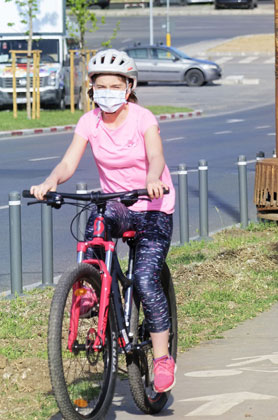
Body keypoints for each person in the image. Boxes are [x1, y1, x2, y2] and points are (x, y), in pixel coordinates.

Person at [30, 49, 177, 393]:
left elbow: (155, 156)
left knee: (144, 278)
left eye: (115, 85)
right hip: (120, 204)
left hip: (153, 206)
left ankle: (161, 357)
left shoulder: (143, 118)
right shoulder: (89, 122)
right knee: (97, 215)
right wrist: (51, 181)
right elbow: (68, 163)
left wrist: (153, 178)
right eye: (100, 86)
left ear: (129, 87)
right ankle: (88, 287)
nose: (107, 91)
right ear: (91, 89)